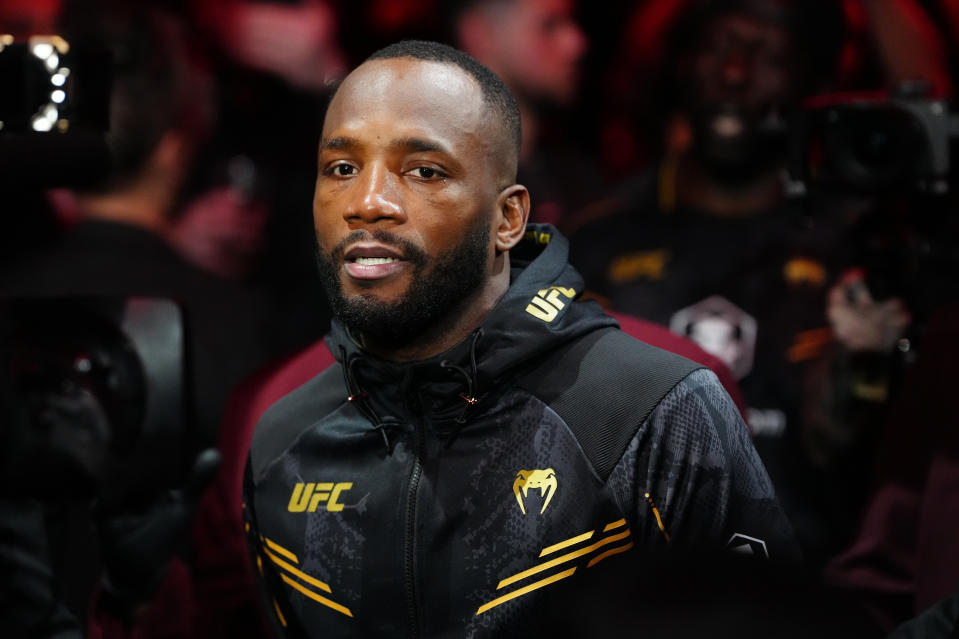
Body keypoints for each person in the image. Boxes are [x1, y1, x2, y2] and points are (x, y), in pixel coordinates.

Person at [243, 40, 798, 637]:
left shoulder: (653, 412)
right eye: (342, 169)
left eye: (424, 171)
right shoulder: (283, 441)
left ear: (507, 220)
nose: (367, 202)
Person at [448, 0, 600, 231]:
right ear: (481, 34)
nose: (576, 43)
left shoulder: (578, 179)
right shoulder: (437, 188)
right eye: (549, 25)